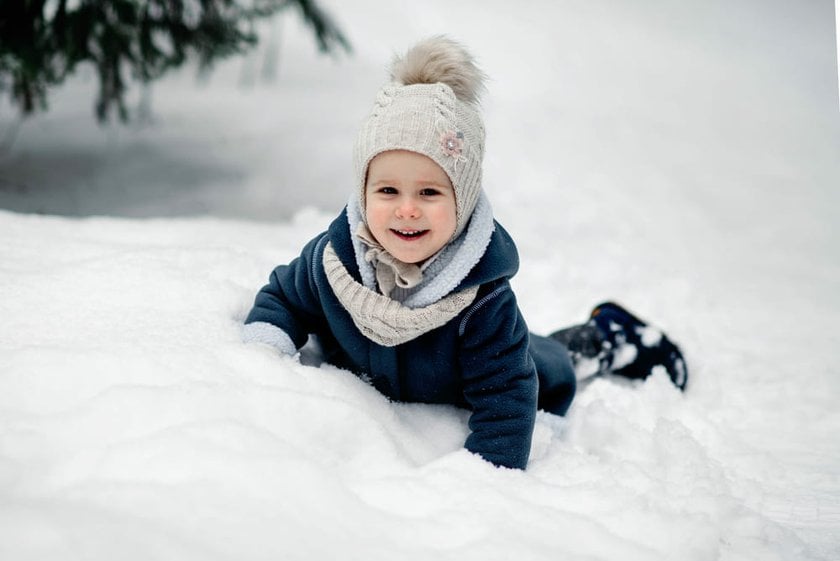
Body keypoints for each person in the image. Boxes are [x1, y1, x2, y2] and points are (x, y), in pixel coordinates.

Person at [243, 36, 688, 470]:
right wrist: (263, 362)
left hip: (510, 371)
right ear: (362, 194)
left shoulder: (484, 302)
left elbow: (508, 400)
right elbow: (282, 299)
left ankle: (611, 335)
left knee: (556, 359)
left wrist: (479, 485)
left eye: (430, 191)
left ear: (464, 198)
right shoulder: (333, 262)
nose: (407, 209)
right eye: (388, 190)